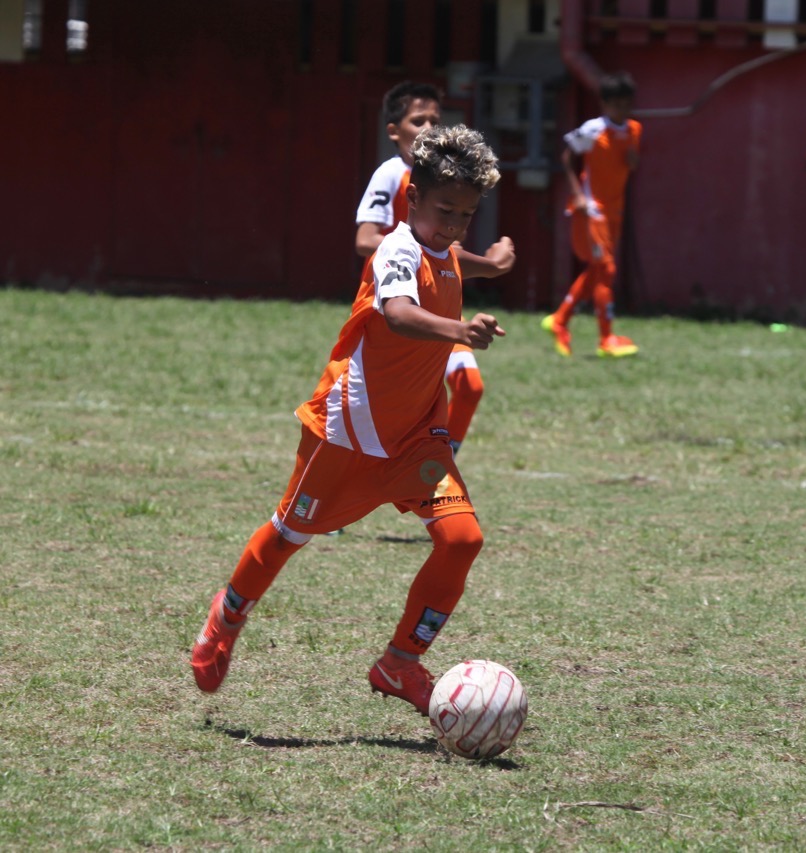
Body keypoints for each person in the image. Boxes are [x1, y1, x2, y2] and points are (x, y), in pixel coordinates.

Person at [192, 125, 507, 717]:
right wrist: (460, 331)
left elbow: (451, 259)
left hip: (415, 438)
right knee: (289, 535)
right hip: (349, 433)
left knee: (463, 539)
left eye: (467, 215)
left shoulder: (441, 248)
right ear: (412, 198)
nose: (455, 226)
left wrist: (489, 263)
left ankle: (400, 662)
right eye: (445, 211)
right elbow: (397, 313)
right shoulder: (395, 250)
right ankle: (227, 616)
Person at [356, 81, 515, 454]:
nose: (428, 129)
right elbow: (365, 241)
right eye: (417, 121)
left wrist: (491, 265)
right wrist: (414, 250)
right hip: (398, 302)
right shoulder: (393, 174)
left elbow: (444, 256)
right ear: (393, 132)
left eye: (435, 120)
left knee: (470, 386)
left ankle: (442, 456)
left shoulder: (455, 185)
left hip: (439, 299)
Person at [541, 71, 641, 358]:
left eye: (626, 104)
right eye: (616, 104)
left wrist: (632, 161)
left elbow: (629, 163)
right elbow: (566, 157)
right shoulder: (593, 130)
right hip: (593, 208)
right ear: (605, 104)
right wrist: (578, 195)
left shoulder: (634, 129)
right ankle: (606, 339)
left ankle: (560, 319)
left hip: (614, 208)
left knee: (597, 269)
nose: (621, 110)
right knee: (607, 269)